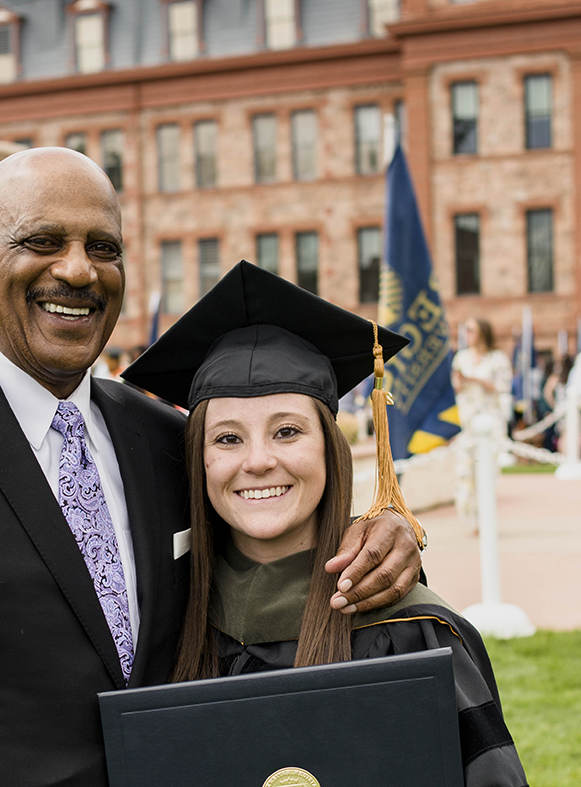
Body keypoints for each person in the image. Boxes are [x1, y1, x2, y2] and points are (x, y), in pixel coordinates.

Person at [0, 147, 424, 786]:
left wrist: (387, 531)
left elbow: (270, 539)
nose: (78, 270)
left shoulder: (165, 440)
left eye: (103, 247)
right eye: (42, 241)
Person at [122, 262, 527, 786]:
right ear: (197, 462)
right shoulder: (168, 623)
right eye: (227, 439)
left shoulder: (411, 632)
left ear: (330, 450)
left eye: (287, 431)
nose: (259, 460)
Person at [451, 319, 512, 528]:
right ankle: (471, 518)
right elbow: (456, 389)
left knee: (487, 472)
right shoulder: (461, 357)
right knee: (465, 472)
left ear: (483, 333)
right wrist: (460, 380)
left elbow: (503, 386)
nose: (467, 333)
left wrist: (475, 379)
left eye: (471, 330)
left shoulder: (497, 358)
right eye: (465, 329)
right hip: (467, 423)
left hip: (490, 421)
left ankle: (486, 517)